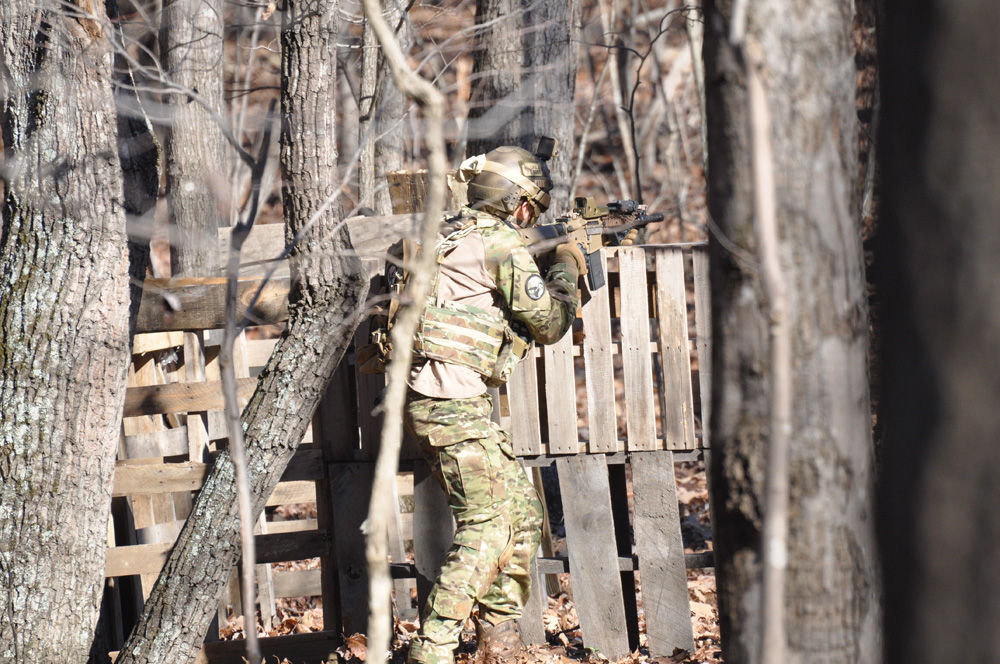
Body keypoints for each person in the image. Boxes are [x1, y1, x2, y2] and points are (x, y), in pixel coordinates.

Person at [398, 144, 585, 664]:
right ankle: (432, 649)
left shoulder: (452, 234)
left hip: (449, 402)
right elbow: (549, 322)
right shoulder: (498, 243)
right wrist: (567, 266)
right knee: (487, 523)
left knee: (522, 515)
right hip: (449, 404)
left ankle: (497, 641)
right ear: (518, 203)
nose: (530, 217)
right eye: (531, 207)